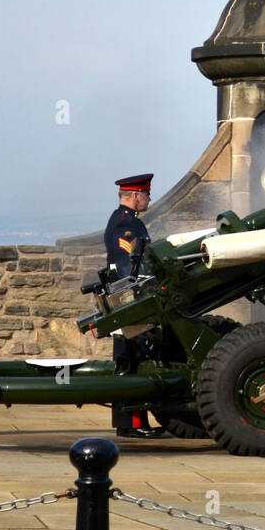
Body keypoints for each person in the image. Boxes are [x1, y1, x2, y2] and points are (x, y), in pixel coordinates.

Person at [102, 173, 170, 439]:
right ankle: (130, 422)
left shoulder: (130, 221)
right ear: (134, 196)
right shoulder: (125, 225)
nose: (149, 199)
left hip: (132, 297)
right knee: (132, 358)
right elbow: (128, 267)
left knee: (135, 355)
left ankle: (133, 420)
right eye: (146, 194)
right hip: (129, 299)